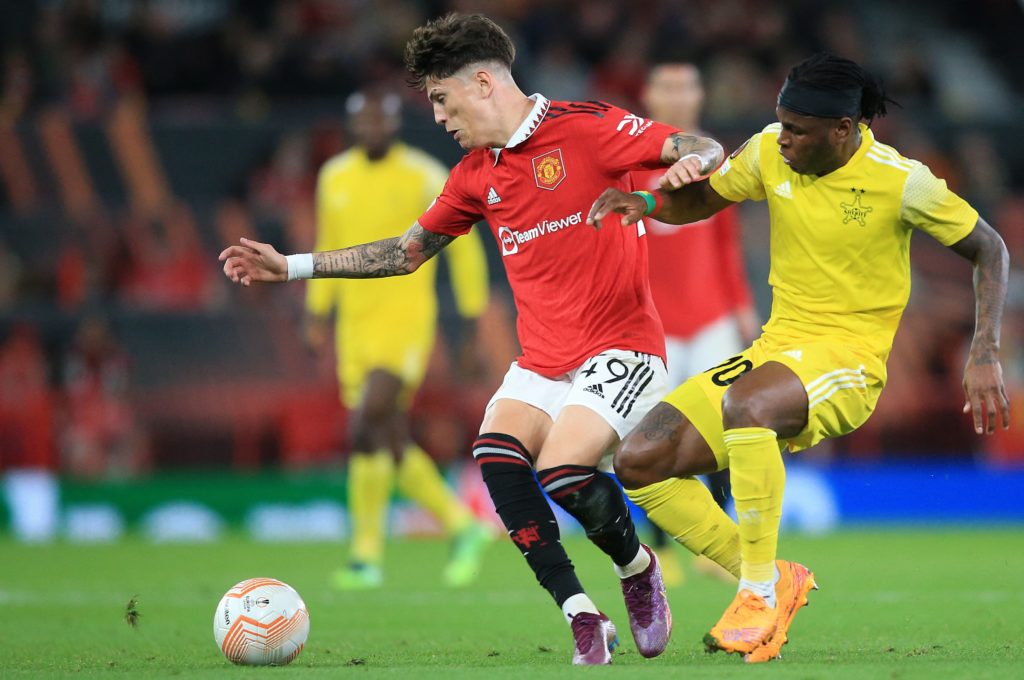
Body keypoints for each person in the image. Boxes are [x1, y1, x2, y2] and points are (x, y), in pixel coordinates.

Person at [221, 12, 729, 665]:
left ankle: (637, 571)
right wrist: (290, 266)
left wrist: (695, 166)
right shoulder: (473, 175)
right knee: (496, 454)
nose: (436, 116)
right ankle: (581, 614)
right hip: (545, 360)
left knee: (563, 470)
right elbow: (406, 253)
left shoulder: (588, 128)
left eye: (440, 97)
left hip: (622, 345)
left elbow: (702, 147)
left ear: (483, 83)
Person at [588, 52, 1010, 662]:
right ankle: (771, 576)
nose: (781, 138)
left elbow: (989, 248)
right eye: (780, 123)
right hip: (775, 346)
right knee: (638, 458)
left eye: (796, 130)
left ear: (844, 130)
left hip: (850, 357)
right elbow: (705, 199)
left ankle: (756, 594)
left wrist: (984, 352)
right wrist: (649, 206)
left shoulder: (902, 181)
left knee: (749, 406)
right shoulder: (766, 151)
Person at [303, 88, 495, 590]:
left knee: (367, 423)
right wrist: (317, 312)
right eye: (362, 121)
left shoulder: (424, 175)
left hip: (406, 322)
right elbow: (328, 244)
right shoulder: (334, 177)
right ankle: (463, 525)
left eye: (380, 120)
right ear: (352, 127)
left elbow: (464, 249)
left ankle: (366, 554)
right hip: (354, 327)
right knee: (384, 436)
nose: (371, 129)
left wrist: (471, 325)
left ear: (393, 124)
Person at [634, 61, 758, 585]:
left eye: (688, 85)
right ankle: (660, 544)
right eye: (669, 86)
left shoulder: (713, 159)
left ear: (700, 94)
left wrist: (741, 304)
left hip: (710, 319)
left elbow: (724, 243)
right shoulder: (630, 157)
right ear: (649, 93)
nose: (680, 96)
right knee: (645, 434)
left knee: (730, 427)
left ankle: (720, 535)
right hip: (652, 324)